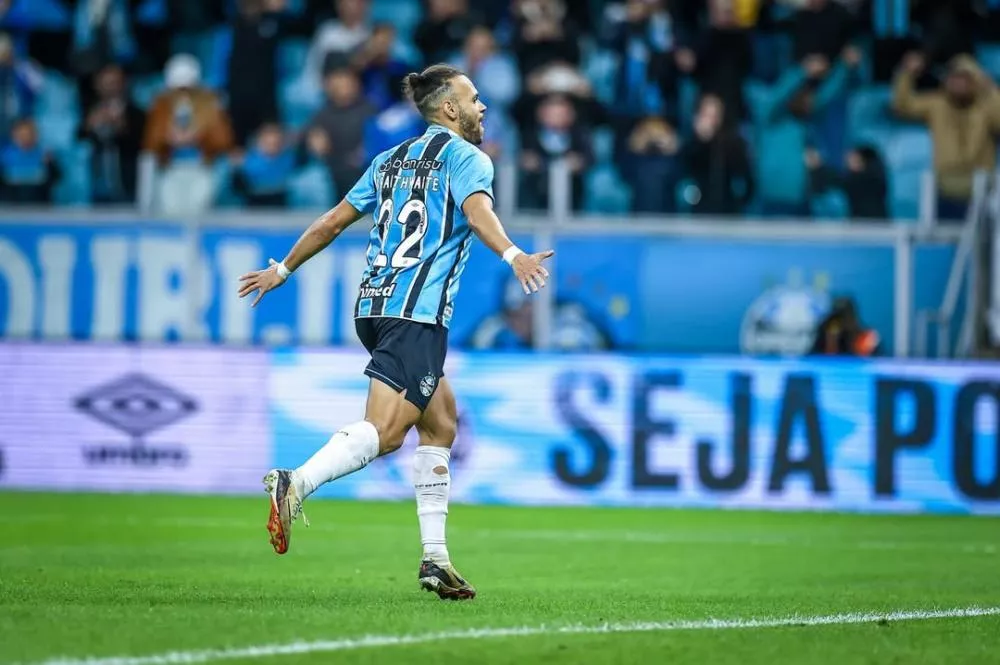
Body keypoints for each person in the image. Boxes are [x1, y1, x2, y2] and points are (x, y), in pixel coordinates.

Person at [237, 64, 553, 600]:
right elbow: (477, 213)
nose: (482, 108)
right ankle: (296, 483)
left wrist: (283, 270)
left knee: (442, 423)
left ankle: (436, 559)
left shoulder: (389, 160)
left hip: (374, 308)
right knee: (385, 433)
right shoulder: (467, 158)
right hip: (415, 315)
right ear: (449, 108)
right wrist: (513, 254)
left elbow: (332, 222)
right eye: (474, 99)